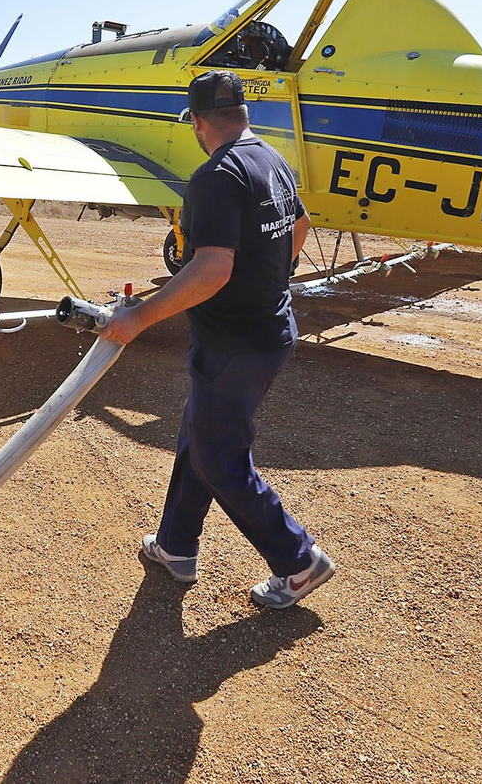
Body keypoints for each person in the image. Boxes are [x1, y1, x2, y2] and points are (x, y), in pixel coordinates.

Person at [100, 70, 334, 609]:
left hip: (235, 344)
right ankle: (176, 546)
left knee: (219, 457)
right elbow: (298, 229)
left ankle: (298, 560)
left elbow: (210, 270)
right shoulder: (271, 162)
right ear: (244, 115)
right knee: (197, 435)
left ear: (199, 123)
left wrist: (139, 318)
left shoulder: (216, 175)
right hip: (269, 331)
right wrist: (269, 278)